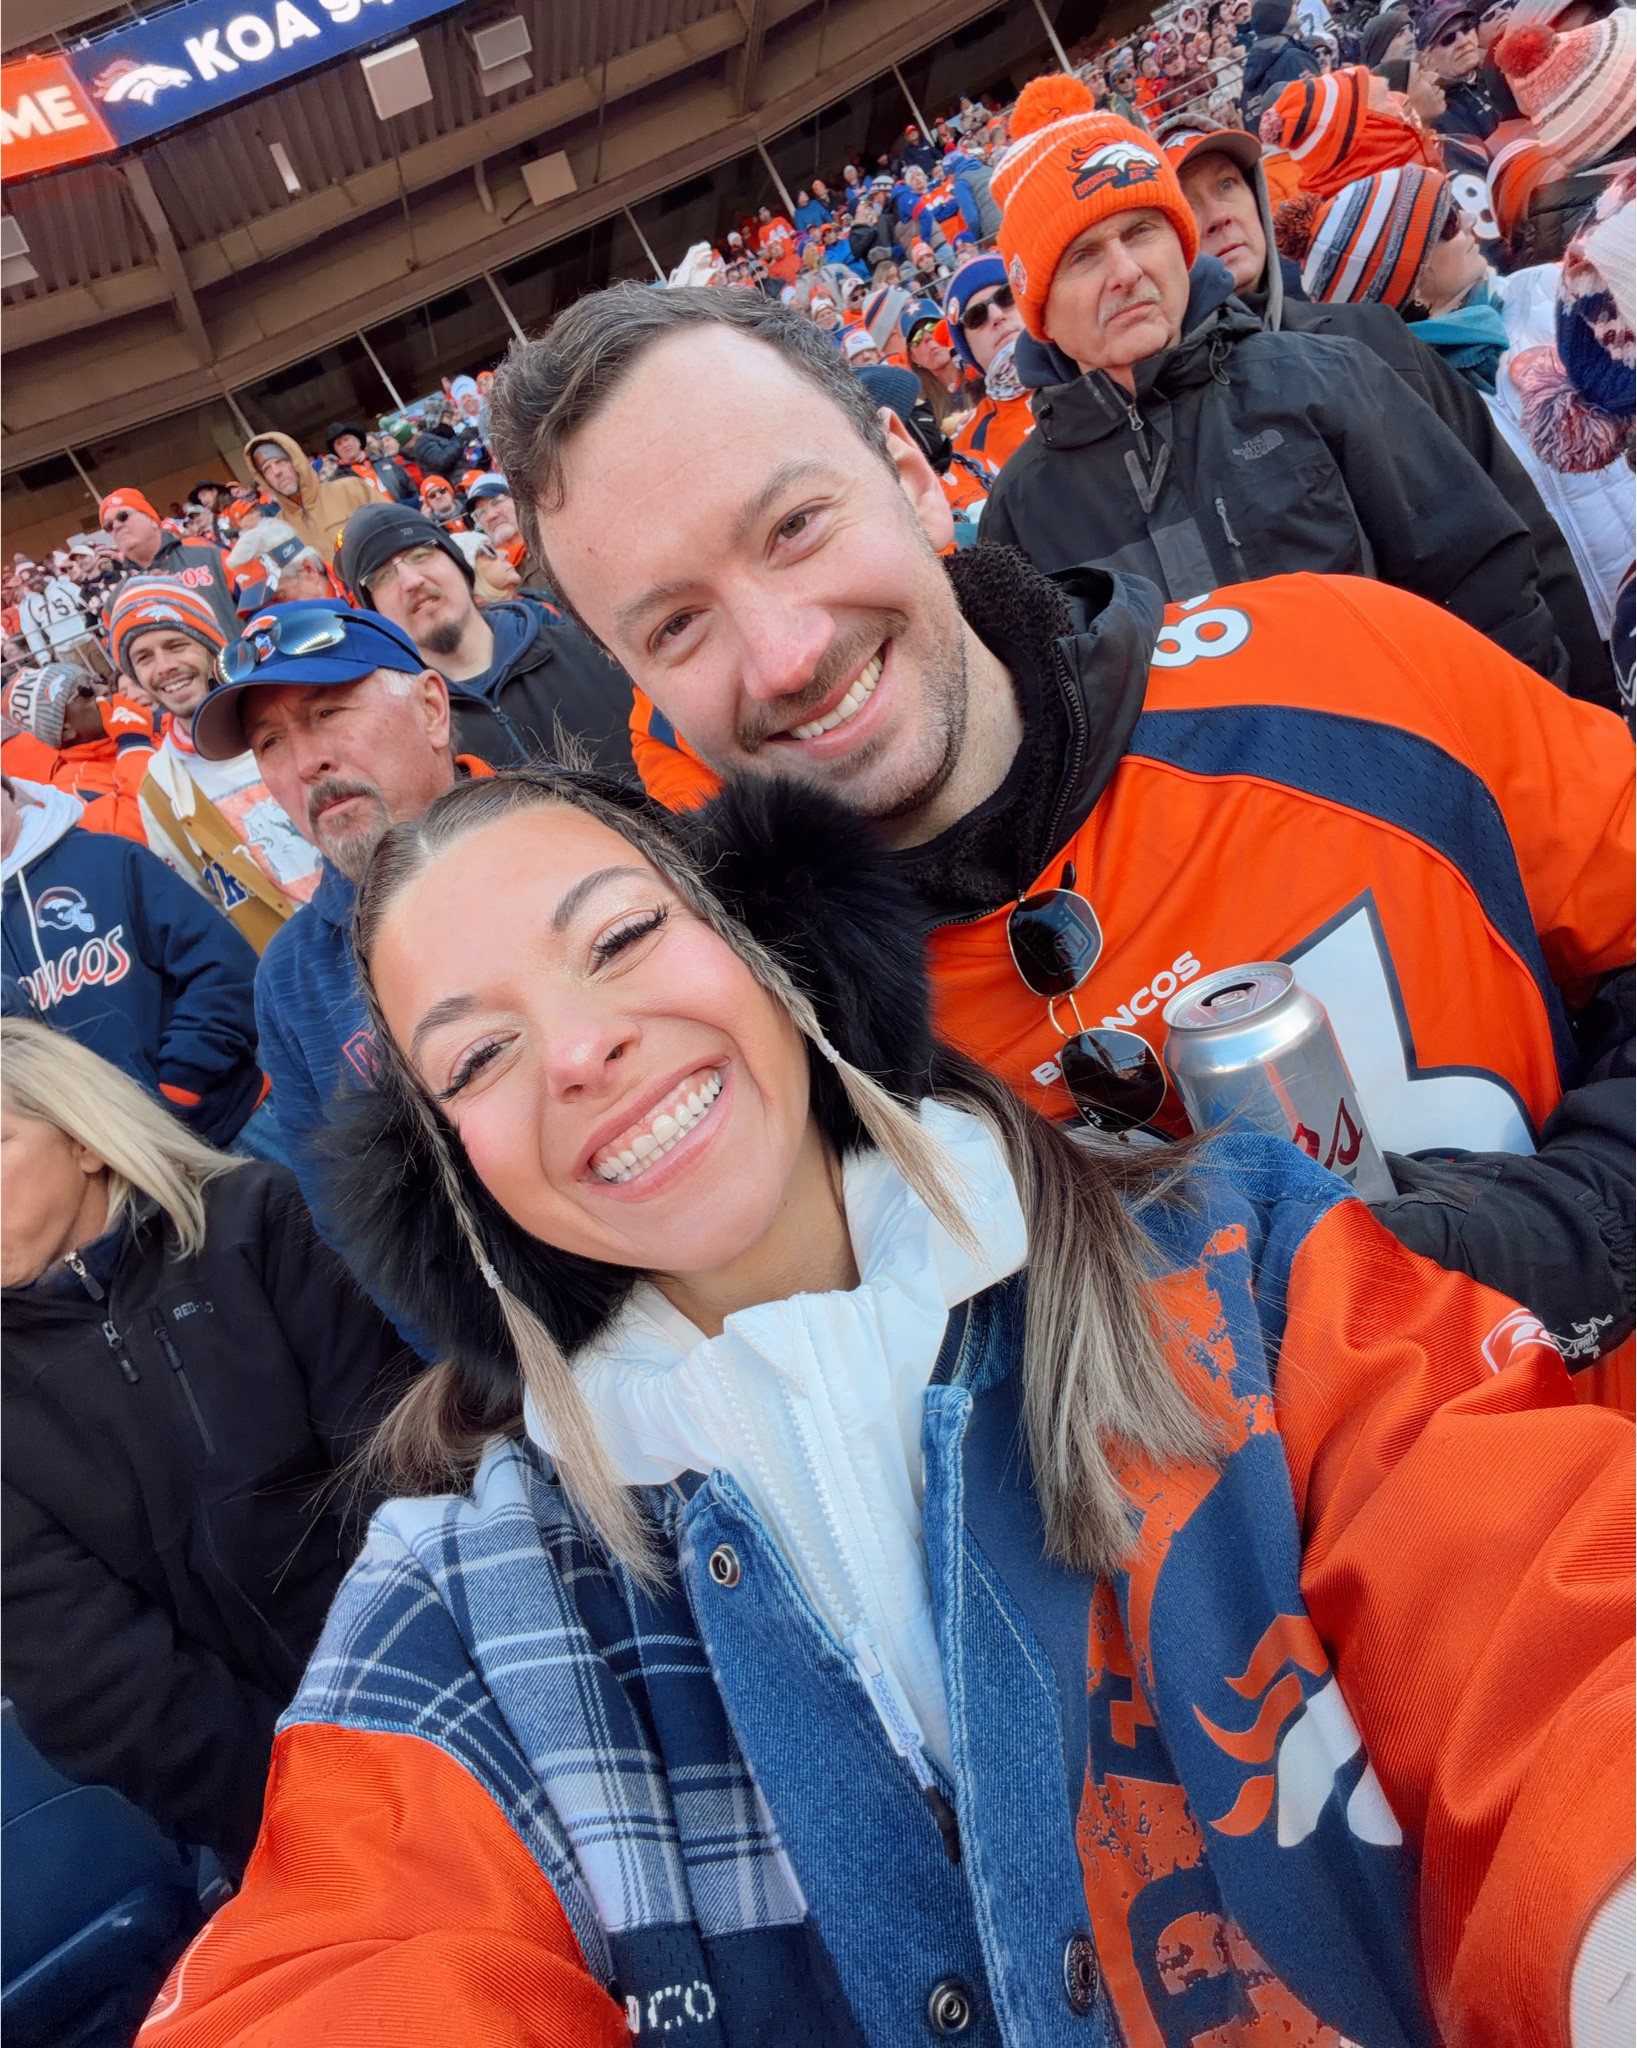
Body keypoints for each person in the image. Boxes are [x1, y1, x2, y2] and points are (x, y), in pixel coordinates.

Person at [136, 767, 1633, 2048]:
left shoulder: (1244, 1261)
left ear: (767, 941)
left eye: (618, 939)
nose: (580, 1050)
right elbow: (339, 1966)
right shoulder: (462, 1605)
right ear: (451, 1174)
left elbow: (1554, 1630)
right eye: (478, 1053)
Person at [485, 282, 1634, 1366]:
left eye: (793, 526)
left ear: (908, 473)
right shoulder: (767, 1062)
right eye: (678, 625)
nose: (785, 654)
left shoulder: (1342, 664)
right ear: (635, 677)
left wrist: (1563, 1236)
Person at [977, 83, 1567, 686]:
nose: (1126, 273)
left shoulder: (1331, 374)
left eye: (1141, 233)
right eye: (1083, 255)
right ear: (1040, 309)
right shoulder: (1019, 514)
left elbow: (1489, 589)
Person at [1, 1018, 407, 1870]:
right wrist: (315, 1814)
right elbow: (97, 1686)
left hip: (458, 1682)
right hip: (292, 1821)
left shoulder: (255, 1222)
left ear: (81, 1141)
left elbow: (397, 1466)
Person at [1166, 119, 1618, 703]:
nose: (1218, 214)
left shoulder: (1370, 339)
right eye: (1186, 201)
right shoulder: (1174, 421)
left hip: (1522, 698)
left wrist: (1587, 707)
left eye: (1228, 185)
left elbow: (1517, 526)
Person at [181, 604, 493, 1214]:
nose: (304, 763)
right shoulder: (289, 980)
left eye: (326, 712)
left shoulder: (581, 828)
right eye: (270, 742)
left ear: (430, 709)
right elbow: (354, 1223)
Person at [2, 776, 263, 1148]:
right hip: (108, 1176)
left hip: (228, 1126)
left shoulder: (107, 859)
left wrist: (180, 1089)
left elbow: (223, 969)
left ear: (9, 790)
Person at [335, 503, 635, 774]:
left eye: (420, 555)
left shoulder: (592, 649)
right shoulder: (412, 742)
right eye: (383, 576)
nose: (411, 581)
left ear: (459, 565)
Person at [106, 578, 321, 938]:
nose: (164, 667)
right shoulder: (159, 788)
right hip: (301, 975)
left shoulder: (293, 716)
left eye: (176, 645)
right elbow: (205, 911)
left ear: (211, 649)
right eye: (144, 658)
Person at [2, 663, 159, 841]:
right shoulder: (71, 793)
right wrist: (134, 744)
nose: (104, 689)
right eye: (86, 691)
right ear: (66, 730)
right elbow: (147, 830)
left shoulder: (141, 724)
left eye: (97, 679)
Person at [97, 489, 242, 642]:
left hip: (239, 661)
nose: (116, 526)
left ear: (152, 520)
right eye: (108, 526)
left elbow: (257, 604)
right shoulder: (117, 601)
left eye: (123, 516)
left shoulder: (207, 553)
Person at [943, 257, 1034, 483]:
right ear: (968, 349)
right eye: (977, 316)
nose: (996, 315)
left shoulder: (1096, 361)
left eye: (1006, 297)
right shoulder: (970, 446)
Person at [243, 433, 381, 559]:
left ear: (296, 462)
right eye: (267, 469)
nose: (276, 472)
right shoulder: (278, 529)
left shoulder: (351, 489)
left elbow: (396, 528)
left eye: (281, 462)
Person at [1410, 0, 1499, 136]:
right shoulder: (1438, 112)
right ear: (1427, 61)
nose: (1463, 41)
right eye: (1448, 39)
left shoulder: (1498, 68)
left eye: (1466, 28)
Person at [1240, 0, 1322, 114]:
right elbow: (1322, 104)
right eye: (1290, 8)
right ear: (1281, 19)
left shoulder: (1251, 70)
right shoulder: (1294, 58)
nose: (1295, 8)